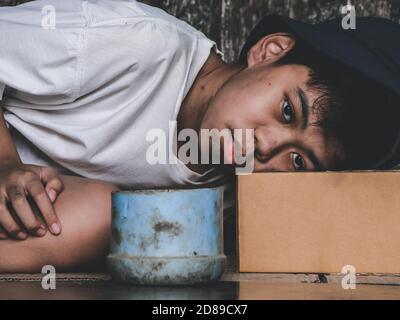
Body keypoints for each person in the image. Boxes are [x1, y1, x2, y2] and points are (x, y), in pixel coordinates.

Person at [0, 0, 399, 272]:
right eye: (288, 111)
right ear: (270, 51)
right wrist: (6, 163)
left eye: (299, 160)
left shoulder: (230, 198)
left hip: (26, 215)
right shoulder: (134, 42)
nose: (267, 146)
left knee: (114, 213)